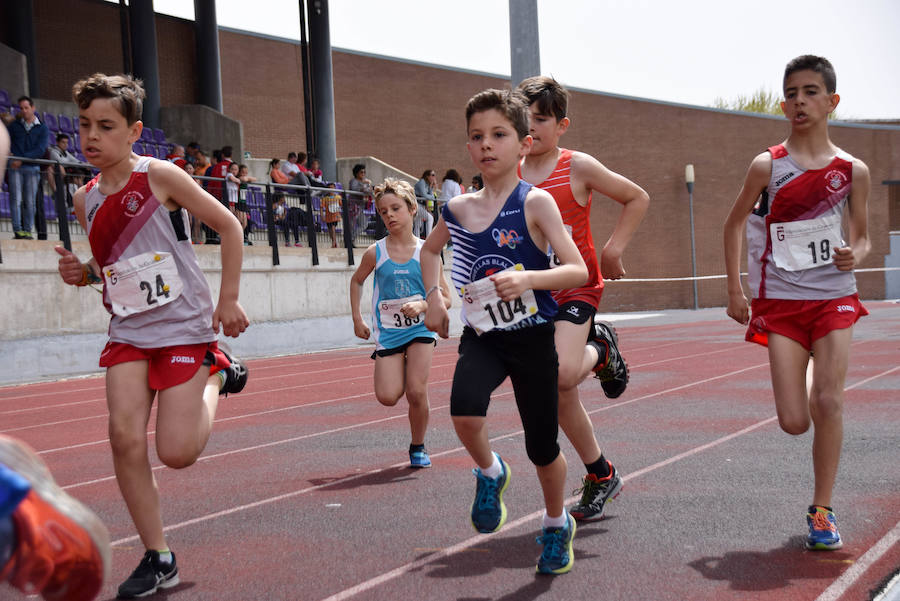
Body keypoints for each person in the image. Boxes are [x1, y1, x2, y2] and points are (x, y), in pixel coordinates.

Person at [57, 73, 251, 598]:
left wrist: (227, 299)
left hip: (185, 328)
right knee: (123, 439)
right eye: (84, 126)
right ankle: (158, 555)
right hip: (128, 331)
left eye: (105, 126)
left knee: (177, 452)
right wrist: (85, 273)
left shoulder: (160, 175)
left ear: (134, 131)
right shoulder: (84, 200)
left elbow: (229, 226)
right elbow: (111, 262)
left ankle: (218, 372)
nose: (91, 136)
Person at [421, 88, 588, 575]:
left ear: (524, 144)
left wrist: (528, 279)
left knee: (542, 446)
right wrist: (435, 297)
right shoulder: (456, 211)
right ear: (469, 148)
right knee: (464, 409)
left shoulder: (536, 203)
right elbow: (430, 252)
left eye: (499, 134)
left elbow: (576, 270)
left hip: (533, 336)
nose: (487, 145)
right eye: (477, 137)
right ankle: (491, 472)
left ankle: (557, 523)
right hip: (485, 335)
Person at [723, 55, 870, 551]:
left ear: (832, 101)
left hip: (833, 296)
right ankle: (808, 370)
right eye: (791, 93)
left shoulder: (852, 170)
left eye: (810, 91)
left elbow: (864, 237)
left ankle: (822, 511)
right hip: (780, 301)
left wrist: (857, 253)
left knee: (829, 400)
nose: (799, 101)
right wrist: (734, 289)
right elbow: (733, 223)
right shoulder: (768, 165)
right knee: (794, 421)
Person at [517, 76, 649, 522]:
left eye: (541, 120)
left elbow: (637, 197)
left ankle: (602, 347)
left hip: (578, 286)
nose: (531, 129)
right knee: (560, 389)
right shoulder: (508, 170)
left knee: (565, 372)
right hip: (534, 294)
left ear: (562, 124)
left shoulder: (577, 166)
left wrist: (613, 248)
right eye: (525, 119)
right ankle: (601, 473)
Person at [349, 178, 452, 468]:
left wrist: (423, 304)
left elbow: (446, 297)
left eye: (396, 208)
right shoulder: (376, 253)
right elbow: (356, 281)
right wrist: (357, 318)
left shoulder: (427, 252)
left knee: (416, 391)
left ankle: (418, 446)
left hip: (421, 329)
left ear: (412, 210)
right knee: (387, 396)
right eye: (383, 211)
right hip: (389, 332)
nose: (390, 215)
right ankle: (402, 367)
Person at [7, 96, 50, 239]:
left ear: (33, 108)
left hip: (32, 169)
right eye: (21, 108)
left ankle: (27, 231)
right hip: (15, 168)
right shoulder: (14, 126)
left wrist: (21, 158)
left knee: (30, 202)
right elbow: (4, 138)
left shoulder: (42, 128)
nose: (24, 111)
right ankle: (18, 231)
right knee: (15, 199)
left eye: (26, 108)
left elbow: (40, 149)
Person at [47, 133, 85, 209]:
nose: (65, 145)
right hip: (58, 175)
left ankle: (82, 199)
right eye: (63, 142)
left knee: (80, 176)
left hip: (66, 174)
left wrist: (84, 164)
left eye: (67, 143)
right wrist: (69, 164)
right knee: (64, 170)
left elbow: (75, 161)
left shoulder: (66, 153)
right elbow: (59, 162)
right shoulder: (54, 152)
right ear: (57, 142)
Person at [348, 163, 373, 245]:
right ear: (357, 173)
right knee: (351, 225)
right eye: (361, 172)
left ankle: (351, 238)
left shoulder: (365, 182)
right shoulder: (353, 181)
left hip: (361, 206)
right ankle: (349, 241)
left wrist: (369, 185)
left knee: (364, 224)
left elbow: (369, 191)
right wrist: (364, 186)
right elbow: (355, 189)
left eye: (364, 172)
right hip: (353, 207)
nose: (363, 174)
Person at [413, 169, 437, 238]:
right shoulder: (422, 182)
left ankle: (417, 239)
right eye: (432, 175)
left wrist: (432, 186)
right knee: (430, 218)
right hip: (416, 204)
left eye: (434, 175)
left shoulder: (427, 184)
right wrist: (432, 197)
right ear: (427, 176)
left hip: (421, 204)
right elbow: (425, 195)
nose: (434, 177)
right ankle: (428, 239)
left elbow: (430, 195)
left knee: (418, 224)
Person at [322, 181, 343, 248]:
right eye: (329, 188)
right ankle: (334, 241)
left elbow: (341, 205)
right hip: (328, 216)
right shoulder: (325, 198)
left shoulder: (338, 197)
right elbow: (321, 207)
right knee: (330, 230)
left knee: (333, 228)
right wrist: (322, 215)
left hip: (335, 216)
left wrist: (341, 214)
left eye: (332, 188)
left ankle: (333, 243)